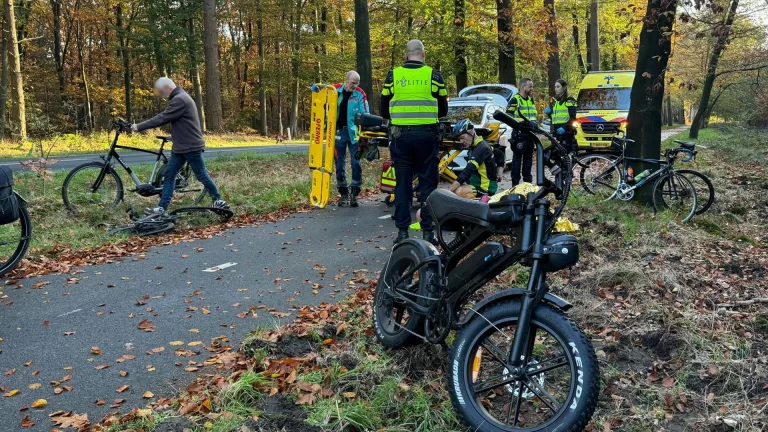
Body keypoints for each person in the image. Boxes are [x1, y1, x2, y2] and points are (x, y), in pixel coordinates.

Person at [381, 39, 448, 244]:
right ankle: (428, 231)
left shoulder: (393, 75)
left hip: (401, 137)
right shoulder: (434, 76)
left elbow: (384, 109)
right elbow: (443, 110)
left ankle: (402, 232)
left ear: (405, 55)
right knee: (428, 183)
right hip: (427, 136)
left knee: (402, 184)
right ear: (424, 54)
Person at [131, 77, 228, 213]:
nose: (161, 95)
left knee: (201, 175)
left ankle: (218, 200)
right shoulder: (180, 97)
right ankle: (162, 207)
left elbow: (162, 118)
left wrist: (138, 126)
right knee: (169, 176)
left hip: (191, 146)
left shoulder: (179, 100)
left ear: (166, 88)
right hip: (180, 147)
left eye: (160, 91)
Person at [333, 71, 369, 207]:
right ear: (346, 80)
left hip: (355, 133)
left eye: (357, 83)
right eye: (353, 83)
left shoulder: (360, 93)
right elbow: (321, 92)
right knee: (339, 164)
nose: (355, 86)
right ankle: (343, 194)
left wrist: (365, 131)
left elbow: (365, 112)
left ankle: (355, 193)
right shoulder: (335, 90)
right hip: (339, 132)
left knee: (356, 163)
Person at [447, 119, 498, 199]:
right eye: (459, 139)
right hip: (475, 185)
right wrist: (500, 173)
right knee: (456, 190)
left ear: (471, 132)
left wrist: (449, 192)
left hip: (485, 188)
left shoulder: (481, 147)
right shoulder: (477, 145)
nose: (461, 141)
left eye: (462, 137)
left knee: (459, 192)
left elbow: (468, 171)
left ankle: (478, 208)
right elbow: (500, 154)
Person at [507, 78, 538, 186]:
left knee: (528, 160)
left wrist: (534, 125)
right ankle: (515, 184)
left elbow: (534, 116)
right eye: (530, 86)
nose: (531, 89)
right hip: (519, 135)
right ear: (523, 87)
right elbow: (508, 116)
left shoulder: (530, 100)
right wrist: (518, 125)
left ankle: (527, 184)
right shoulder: (515, 100)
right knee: (516, 160)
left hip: (530, 135)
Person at [545, 79, 578, 153]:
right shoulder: (556, 102)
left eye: (558, 87)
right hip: (557, 132)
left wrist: (564, 127)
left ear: (564, 88)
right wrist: (549, 114)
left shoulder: (569, 100)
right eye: (555, 87)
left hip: (566, 133)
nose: (556, 89)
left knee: (566, 155)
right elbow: (555, 119)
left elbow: (573, 117)